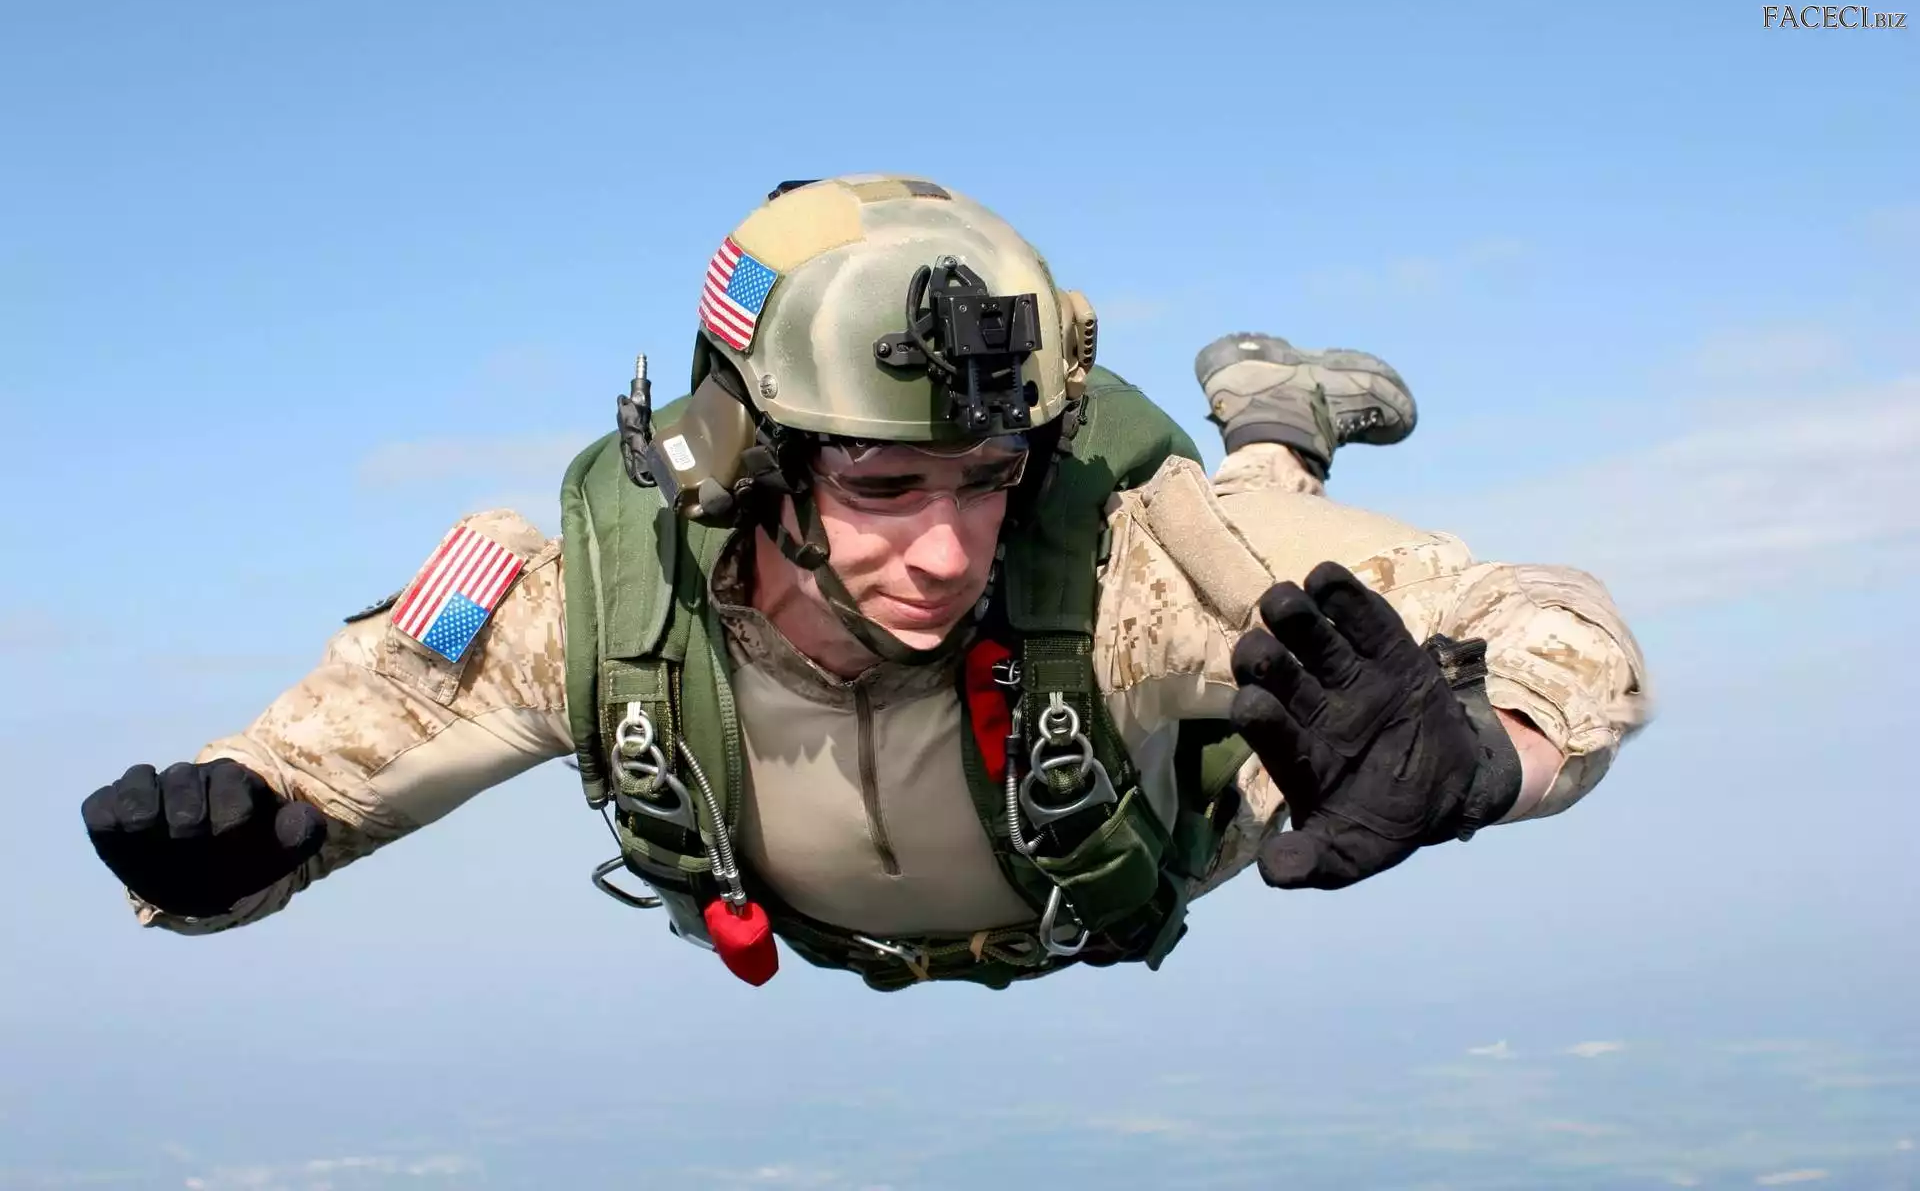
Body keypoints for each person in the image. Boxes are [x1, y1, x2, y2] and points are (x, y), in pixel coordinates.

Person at [80, 174, 1653, 992]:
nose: (951, 551)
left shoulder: (1123, 566)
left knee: (1257, 555)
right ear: (748, 465)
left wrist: (1485, 760)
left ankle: (1272, 424)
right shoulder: (593, 618)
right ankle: (1271, 417)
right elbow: (312, 780)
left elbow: (1552, 628)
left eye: (990, 478)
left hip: (1150, 837)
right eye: (885, 487)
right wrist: (218, 860)